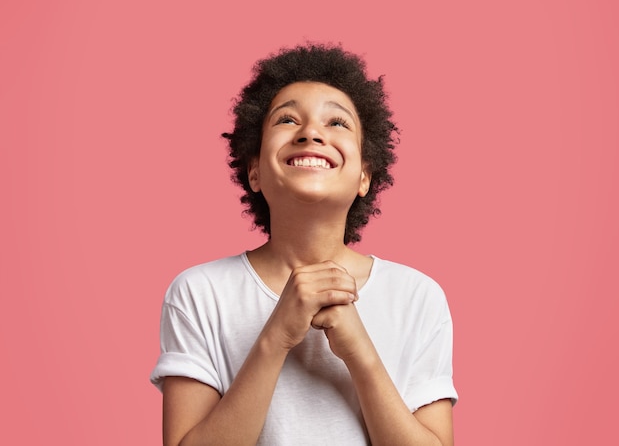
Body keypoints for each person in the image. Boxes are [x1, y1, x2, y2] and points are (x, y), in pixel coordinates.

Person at [150, 43, 458, 446]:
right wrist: (276, 334)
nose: (311, 132)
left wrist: (361, 354)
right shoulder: (198, 293)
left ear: (365, 175)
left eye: (337, 123)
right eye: (287, 119)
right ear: (255, 171)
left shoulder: (417, 297)